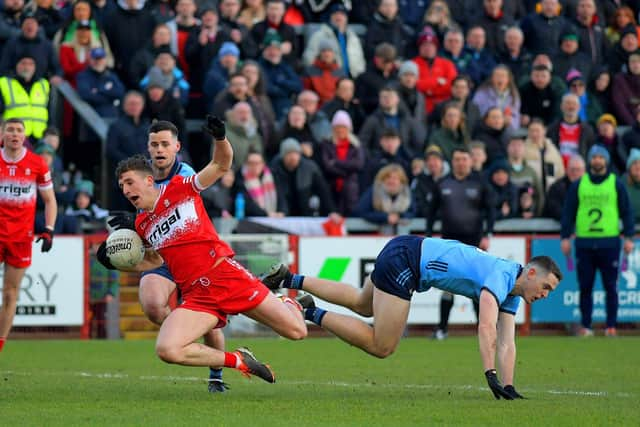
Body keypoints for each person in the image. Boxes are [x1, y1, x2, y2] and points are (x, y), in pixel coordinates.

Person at [98, 116, 307, 383]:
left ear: (149, 180)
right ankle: (238, 360)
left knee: (297, 332)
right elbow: (155, 261)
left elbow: (220, 164)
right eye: (122, 186)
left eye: (130, 182)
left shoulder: (180, 187)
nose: (125, 190)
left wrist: (220, 138)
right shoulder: (141, 222)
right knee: (167, 350)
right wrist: (117, 261)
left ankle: (287, 301)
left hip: (226, 277)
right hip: (198, 296)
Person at [260, 236, 562, 400]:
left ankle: (290, 278)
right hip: (407, 260)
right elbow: (486, 327)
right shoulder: (500, 276)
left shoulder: (511, 291)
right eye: (546, 287)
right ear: (531, 272)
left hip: (405, 249)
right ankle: (306, 311)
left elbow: (507, 342)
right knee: (382, 346)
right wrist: (490, 374)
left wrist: (507, 386)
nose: (545, 294)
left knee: (362, 304)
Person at [107, 120, 231, 392]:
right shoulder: (141, 175)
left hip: (191, 254)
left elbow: (168, 205)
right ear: (148, 148)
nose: (159, 149)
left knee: (209, 324)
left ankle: (216, 374)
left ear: (177, 147)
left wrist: (137, 217)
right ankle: (185, 329)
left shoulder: (183, 174)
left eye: (165, 144)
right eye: (154, 144)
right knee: (152, 305)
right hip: (161, 256)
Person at [561, 144, 635, 337]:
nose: (597, 161)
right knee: (585, 286)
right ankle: (586, 326)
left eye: (601, 157)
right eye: (594, 157)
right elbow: (568, 212)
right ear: (590, 161)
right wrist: (565, 237)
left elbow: (627, 212)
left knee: (611, 286)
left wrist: (629, 236)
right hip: (585, 243)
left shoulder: (615, 183)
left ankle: (611, 326)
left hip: (609, 242)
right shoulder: (579, 184)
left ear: (606, 160)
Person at [0, 118, 57, 353]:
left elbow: (50, 200)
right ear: (2, 134)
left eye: (19, 130)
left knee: (11, 292)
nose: (15, 134)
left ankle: (0, 343)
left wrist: (49, 229)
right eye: (10, 130)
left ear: (25, 136)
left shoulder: (37, 164)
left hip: (21, 238)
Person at [425, 147, 495, 339]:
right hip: (449, 243)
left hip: (474, 243)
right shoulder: (443, 183)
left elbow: (490, 210)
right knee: (448, 285)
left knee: (475, 285)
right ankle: (442, 329)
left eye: (464, 159)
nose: (461, 163)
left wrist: (488, 234)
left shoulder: (480, 183)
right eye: (457, 159)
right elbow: (431, 213)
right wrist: (429, 235)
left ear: (470, 161)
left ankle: (483, 329)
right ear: (452, 162)